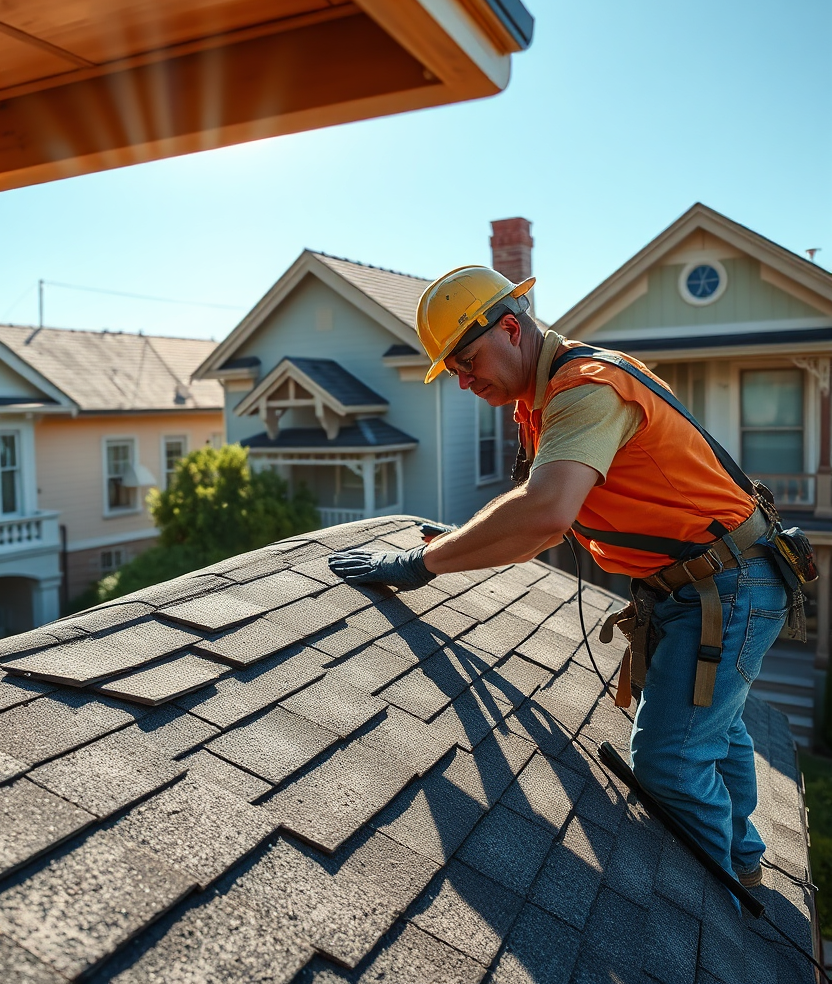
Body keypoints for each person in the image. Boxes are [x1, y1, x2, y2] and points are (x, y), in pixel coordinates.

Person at [329, 264, 802, 886]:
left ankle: (723, 912)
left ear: (509, 329)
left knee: (669, 762)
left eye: (469, 361)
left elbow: (545, 517)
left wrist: (420, 565)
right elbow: (533, 501)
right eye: (456, 373)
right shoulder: (541, 397)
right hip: (704, 581)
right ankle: (742, 860)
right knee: (714, 726)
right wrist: (463, 540)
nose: (466, 382)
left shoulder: (586, 389)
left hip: (730, 583)